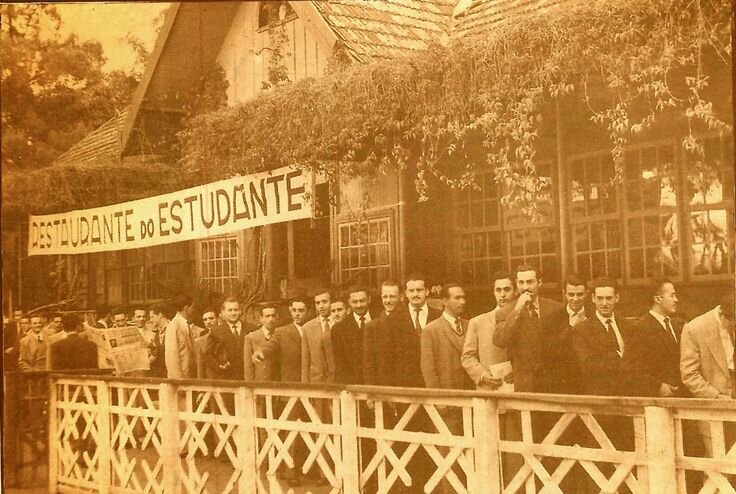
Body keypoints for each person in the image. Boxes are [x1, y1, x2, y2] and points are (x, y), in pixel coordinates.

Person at [572, 277, 637, 452]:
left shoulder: (628, 326)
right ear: (592, 299)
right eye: (600, 298)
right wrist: (618, 358)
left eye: (609, 298)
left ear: (617, 298)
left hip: (629, 404)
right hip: (601, 407)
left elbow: (638, 360)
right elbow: (589, 365)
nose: (604, 303)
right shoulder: (582, 330)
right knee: (603, 459)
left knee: (631, 454)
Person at [254, 297, 309, 487]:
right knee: (291, 430)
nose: (297, 314)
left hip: (314, 386)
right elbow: (270, 346)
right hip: (291, 388)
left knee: (316, 430)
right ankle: (290, 469)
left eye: (301, 310)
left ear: (308, 311)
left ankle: (315, 469)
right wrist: (260, 352)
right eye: (294, 310)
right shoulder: (282, 332)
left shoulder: (315, 328)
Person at [493, 264, 564, 393]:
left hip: (554, 382)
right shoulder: (505, 312)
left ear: (540, 282)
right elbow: (500, 341)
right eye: (521, 282)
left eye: (530, 282)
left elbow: (564, 347)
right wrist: (517, 310)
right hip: (525, 384)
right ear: (516, 284)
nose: (525, 287)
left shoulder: (556, 309)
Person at [681, 290, 735, 457]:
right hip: (713, 410)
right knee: (717, 469)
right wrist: (717, 397)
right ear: (723, 315)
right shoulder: (695, 329)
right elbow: (689, 375)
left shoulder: (731, 320)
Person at [462, 271, 516, 390]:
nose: (502, 294)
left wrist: (518, 372)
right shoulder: (478, 322)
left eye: (507, 289)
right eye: (498, 290)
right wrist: (482, 375)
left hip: (519, 387)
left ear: (516, 291)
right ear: (493, 292)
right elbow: (467, 357)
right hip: (489, 388)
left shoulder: (524, 319)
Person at [632, 278, 685, 397]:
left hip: (680, 396)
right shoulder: (641, 328)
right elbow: (633, 369)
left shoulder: (676, 326)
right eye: (672, 296)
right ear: (657, 299)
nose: (676, 300)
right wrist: (658, 386)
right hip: (656, 399)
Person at [537, 273, 588, 395]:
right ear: (564, 293)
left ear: (586, 293)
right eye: (571, 294)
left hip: (588, 382)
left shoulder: (593, 316)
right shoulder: (552, 319)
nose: (575, 299)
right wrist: (573, 327)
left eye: (579, 294)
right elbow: (550, 353)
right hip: (563, 383)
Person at [331, 286, 374, 384]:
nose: (359, 305)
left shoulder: (379, 320)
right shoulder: (339, 329)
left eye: (362, 301)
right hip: (353, 385)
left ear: (369, 299)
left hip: (378, 384)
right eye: (354, 302)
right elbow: (340, 364)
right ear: (349, 303)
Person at [363, 280, 401, 385]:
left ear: (401, 297)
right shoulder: (372, 327)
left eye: (392, 297)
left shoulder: (410, 321)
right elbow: (369, 363)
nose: (388, 301)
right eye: (385, 297)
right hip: (383, 387)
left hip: (408, 387)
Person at [208, 297, 256, 380]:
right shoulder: (216, 332)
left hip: (248, 378)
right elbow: (208, 356)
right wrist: (219, 366)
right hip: (226, 379)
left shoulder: (252, 329)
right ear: (223, 312)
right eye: (230, 310)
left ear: (240, 311)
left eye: (236, 310)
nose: (233, 313)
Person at [301, 289, 333, 384]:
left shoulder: (339, 323)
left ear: (331, 302)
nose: (321, 306)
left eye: (325, 302)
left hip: (337, 381)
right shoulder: (307, 328)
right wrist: (305, 386)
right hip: (316, 381)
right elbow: (305, 361)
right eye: (317, 303)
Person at [164, 295, 197, 379]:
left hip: (190, 376)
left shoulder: (185, 325)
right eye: (193, 307)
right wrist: (177, 382)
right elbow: (171, 356)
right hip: (181, 379)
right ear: (186, 308)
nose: (194, 310)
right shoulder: (173, 326)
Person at [244, 305, 278, 381]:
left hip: (277, 384)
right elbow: (248, 367)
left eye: (273, 316)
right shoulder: (251, 337)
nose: (271, 319)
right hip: (259, 383)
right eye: (267, 316)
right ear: (261, 318)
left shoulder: (280, 335)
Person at [148, 304, 169, 378]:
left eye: (152, 317)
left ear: (160, 315)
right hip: (159, 375)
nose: (151, 320)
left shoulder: (172, 328)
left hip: (171, 373)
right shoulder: (155, 334)